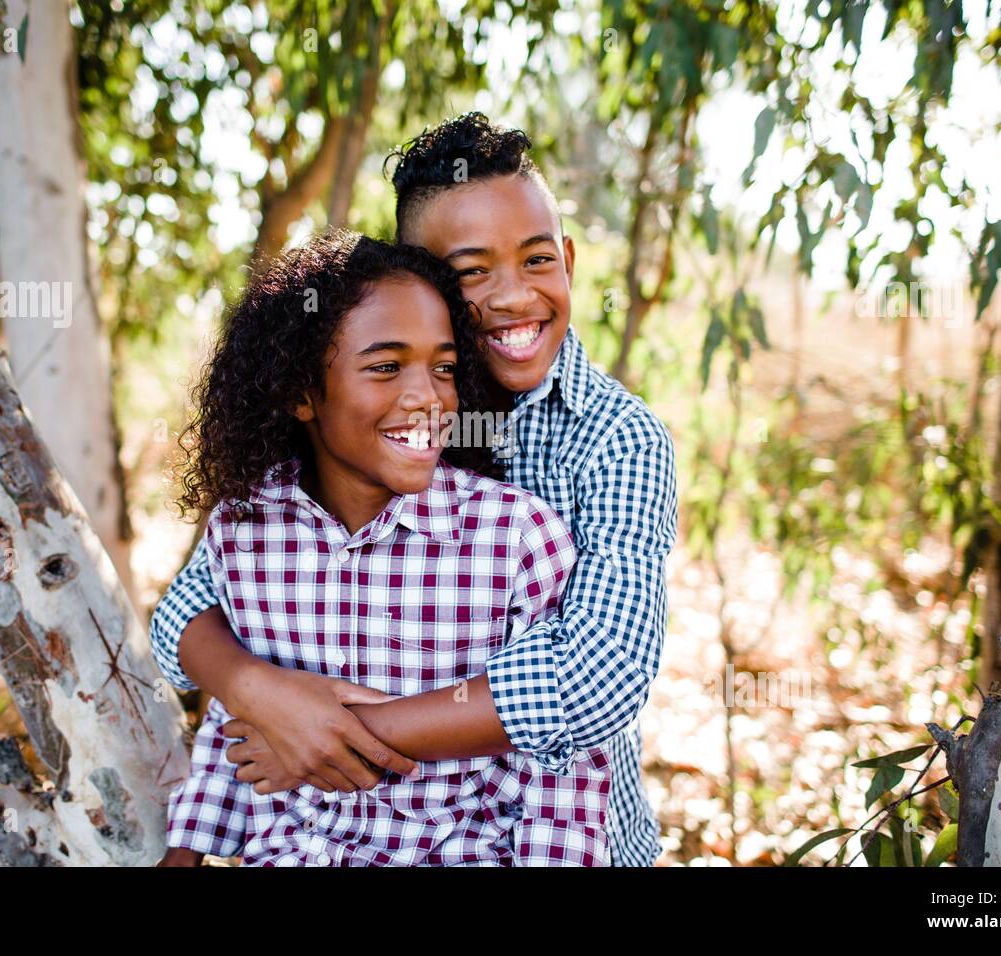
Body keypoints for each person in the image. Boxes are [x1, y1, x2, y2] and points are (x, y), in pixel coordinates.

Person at [152, 113, 677, 866]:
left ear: (567, 260)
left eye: (537, 261)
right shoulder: (330, 468)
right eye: (470, 273)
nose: (512, 297)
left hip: (551, 833)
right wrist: (260, 692)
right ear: (418, 278)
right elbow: (189, 613)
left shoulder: (613, 442)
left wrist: (331, 733)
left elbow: (596, 679)